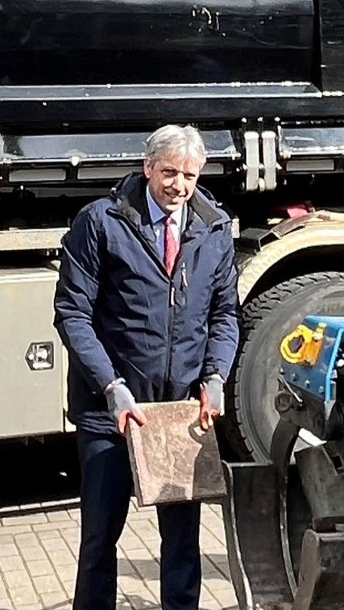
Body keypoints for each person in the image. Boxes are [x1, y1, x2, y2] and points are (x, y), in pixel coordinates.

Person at [54, 124, 240, 610]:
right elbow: (72, 312)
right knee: (99, 541)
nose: (179, 186)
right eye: (169, 172)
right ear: (147, 168)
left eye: (190, 176)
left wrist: (216, 376)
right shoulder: (101, 222)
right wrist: (110, 386)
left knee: (182, 544)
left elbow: (224, 314)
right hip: (112, 411)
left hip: (178, 414)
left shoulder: (214, 229)